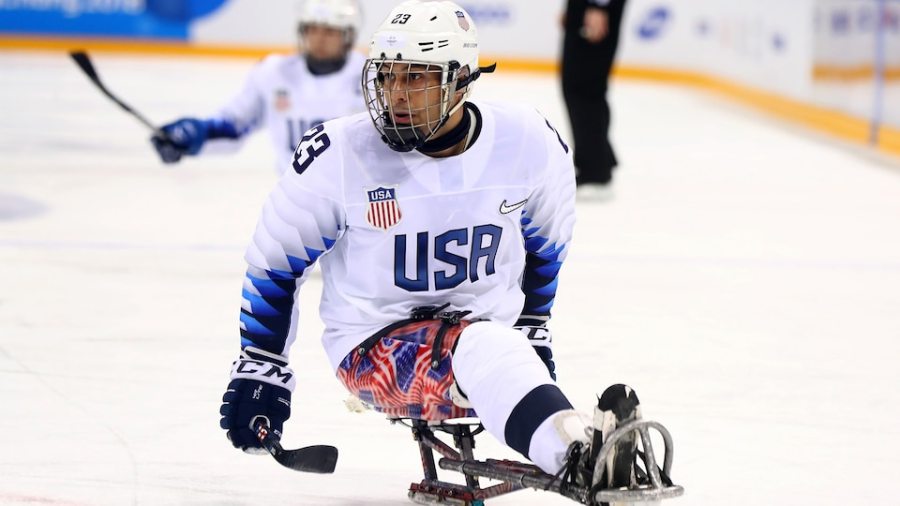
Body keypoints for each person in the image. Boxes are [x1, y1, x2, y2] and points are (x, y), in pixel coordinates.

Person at [218, 0, 643, 493]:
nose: (395, 94)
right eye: (387, 76)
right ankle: (581, 456)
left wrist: (533, 328)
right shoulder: (337, 154)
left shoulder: (528, 141)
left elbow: (545, 248)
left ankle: (581, 444)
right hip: (372, 348)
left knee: (490, 347)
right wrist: (262, 368)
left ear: (461, 79)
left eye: (415, 78)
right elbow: (274, 264)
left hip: (488, 337)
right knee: (488, 347)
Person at [151, 0, 365, 174]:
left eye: (329, 31)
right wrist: (192, 133)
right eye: (312, 29)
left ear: (347, 36)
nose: (319, 39)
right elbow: (234, 125)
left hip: (357, 196)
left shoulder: (372, 78)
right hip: (297, 198)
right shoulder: (274, 72)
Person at [562, 0, 627, 200]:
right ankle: (597, 161)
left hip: (596, 8)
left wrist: (597, 6)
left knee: (585, 87)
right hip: (588, 7)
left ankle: (596, 173)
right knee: (582, 86)